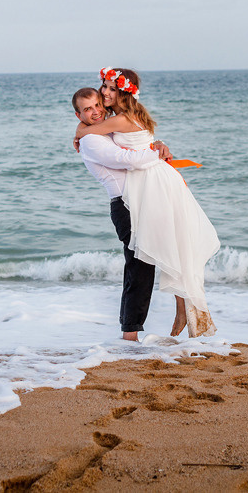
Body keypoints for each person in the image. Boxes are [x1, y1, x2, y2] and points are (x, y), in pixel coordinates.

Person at [74, 68, 219, 338]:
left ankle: (150, 324)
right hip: (157, 183)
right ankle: (180, 308)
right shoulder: (132, 115)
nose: (105, 93)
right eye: (103, 87)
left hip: (152, 185)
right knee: (169, 249)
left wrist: (79, 129)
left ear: (123, 92)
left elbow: (88, 130)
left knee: (157, 254)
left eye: (110, 89)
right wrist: (156, 147)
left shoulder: (118, 121)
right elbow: (128, 140)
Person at [73, 87, 171, 342]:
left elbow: (134, 142)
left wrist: (155, 143)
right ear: (78, 114)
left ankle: (129, 330)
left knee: (137, 267)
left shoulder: (105, 129)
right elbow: (128, 159)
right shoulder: (91, 140)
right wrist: (158, 153)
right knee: (140, 267)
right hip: (125, 206)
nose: (94, 112)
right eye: (87, 109)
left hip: (137, 202)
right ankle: (130, 334)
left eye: (96, 105)